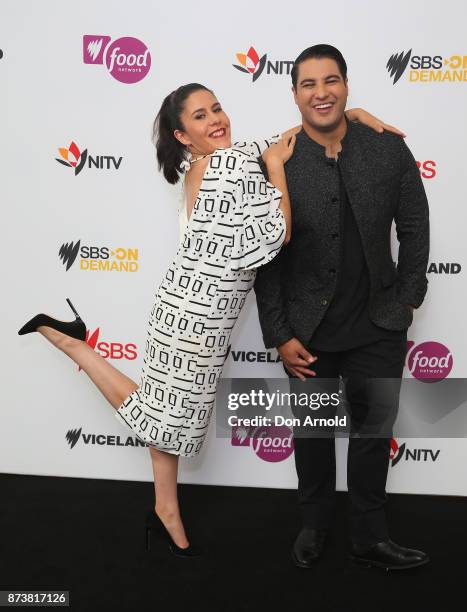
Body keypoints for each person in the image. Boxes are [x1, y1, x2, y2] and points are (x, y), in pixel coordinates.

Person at [18, 81, 405, 559]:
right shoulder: (228, 164)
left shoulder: (211, 161)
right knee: (166, 421)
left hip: (183, 308)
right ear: (183, 135)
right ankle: (75, 345)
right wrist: (278, 172)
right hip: (197, 320)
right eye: (200, 117)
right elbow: (275, 233)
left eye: (216, 108)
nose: (215, 119)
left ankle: (165, 508)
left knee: (166, 414)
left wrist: (353, 114)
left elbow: (280, 139)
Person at [254, 45, 430, 571]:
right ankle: (314, 524)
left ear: (348, 87)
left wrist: (407, 298)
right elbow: (266, 258)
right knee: (311, 435)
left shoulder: (388, 151)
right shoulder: (276, 163)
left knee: (373, 437)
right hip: (307, 332)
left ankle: (370, 536)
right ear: (294, 95)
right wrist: (280, 333)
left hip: (378, 325)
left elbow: (416, 229)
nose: (321, 92)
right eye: (308, 84)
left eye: (331, 81)